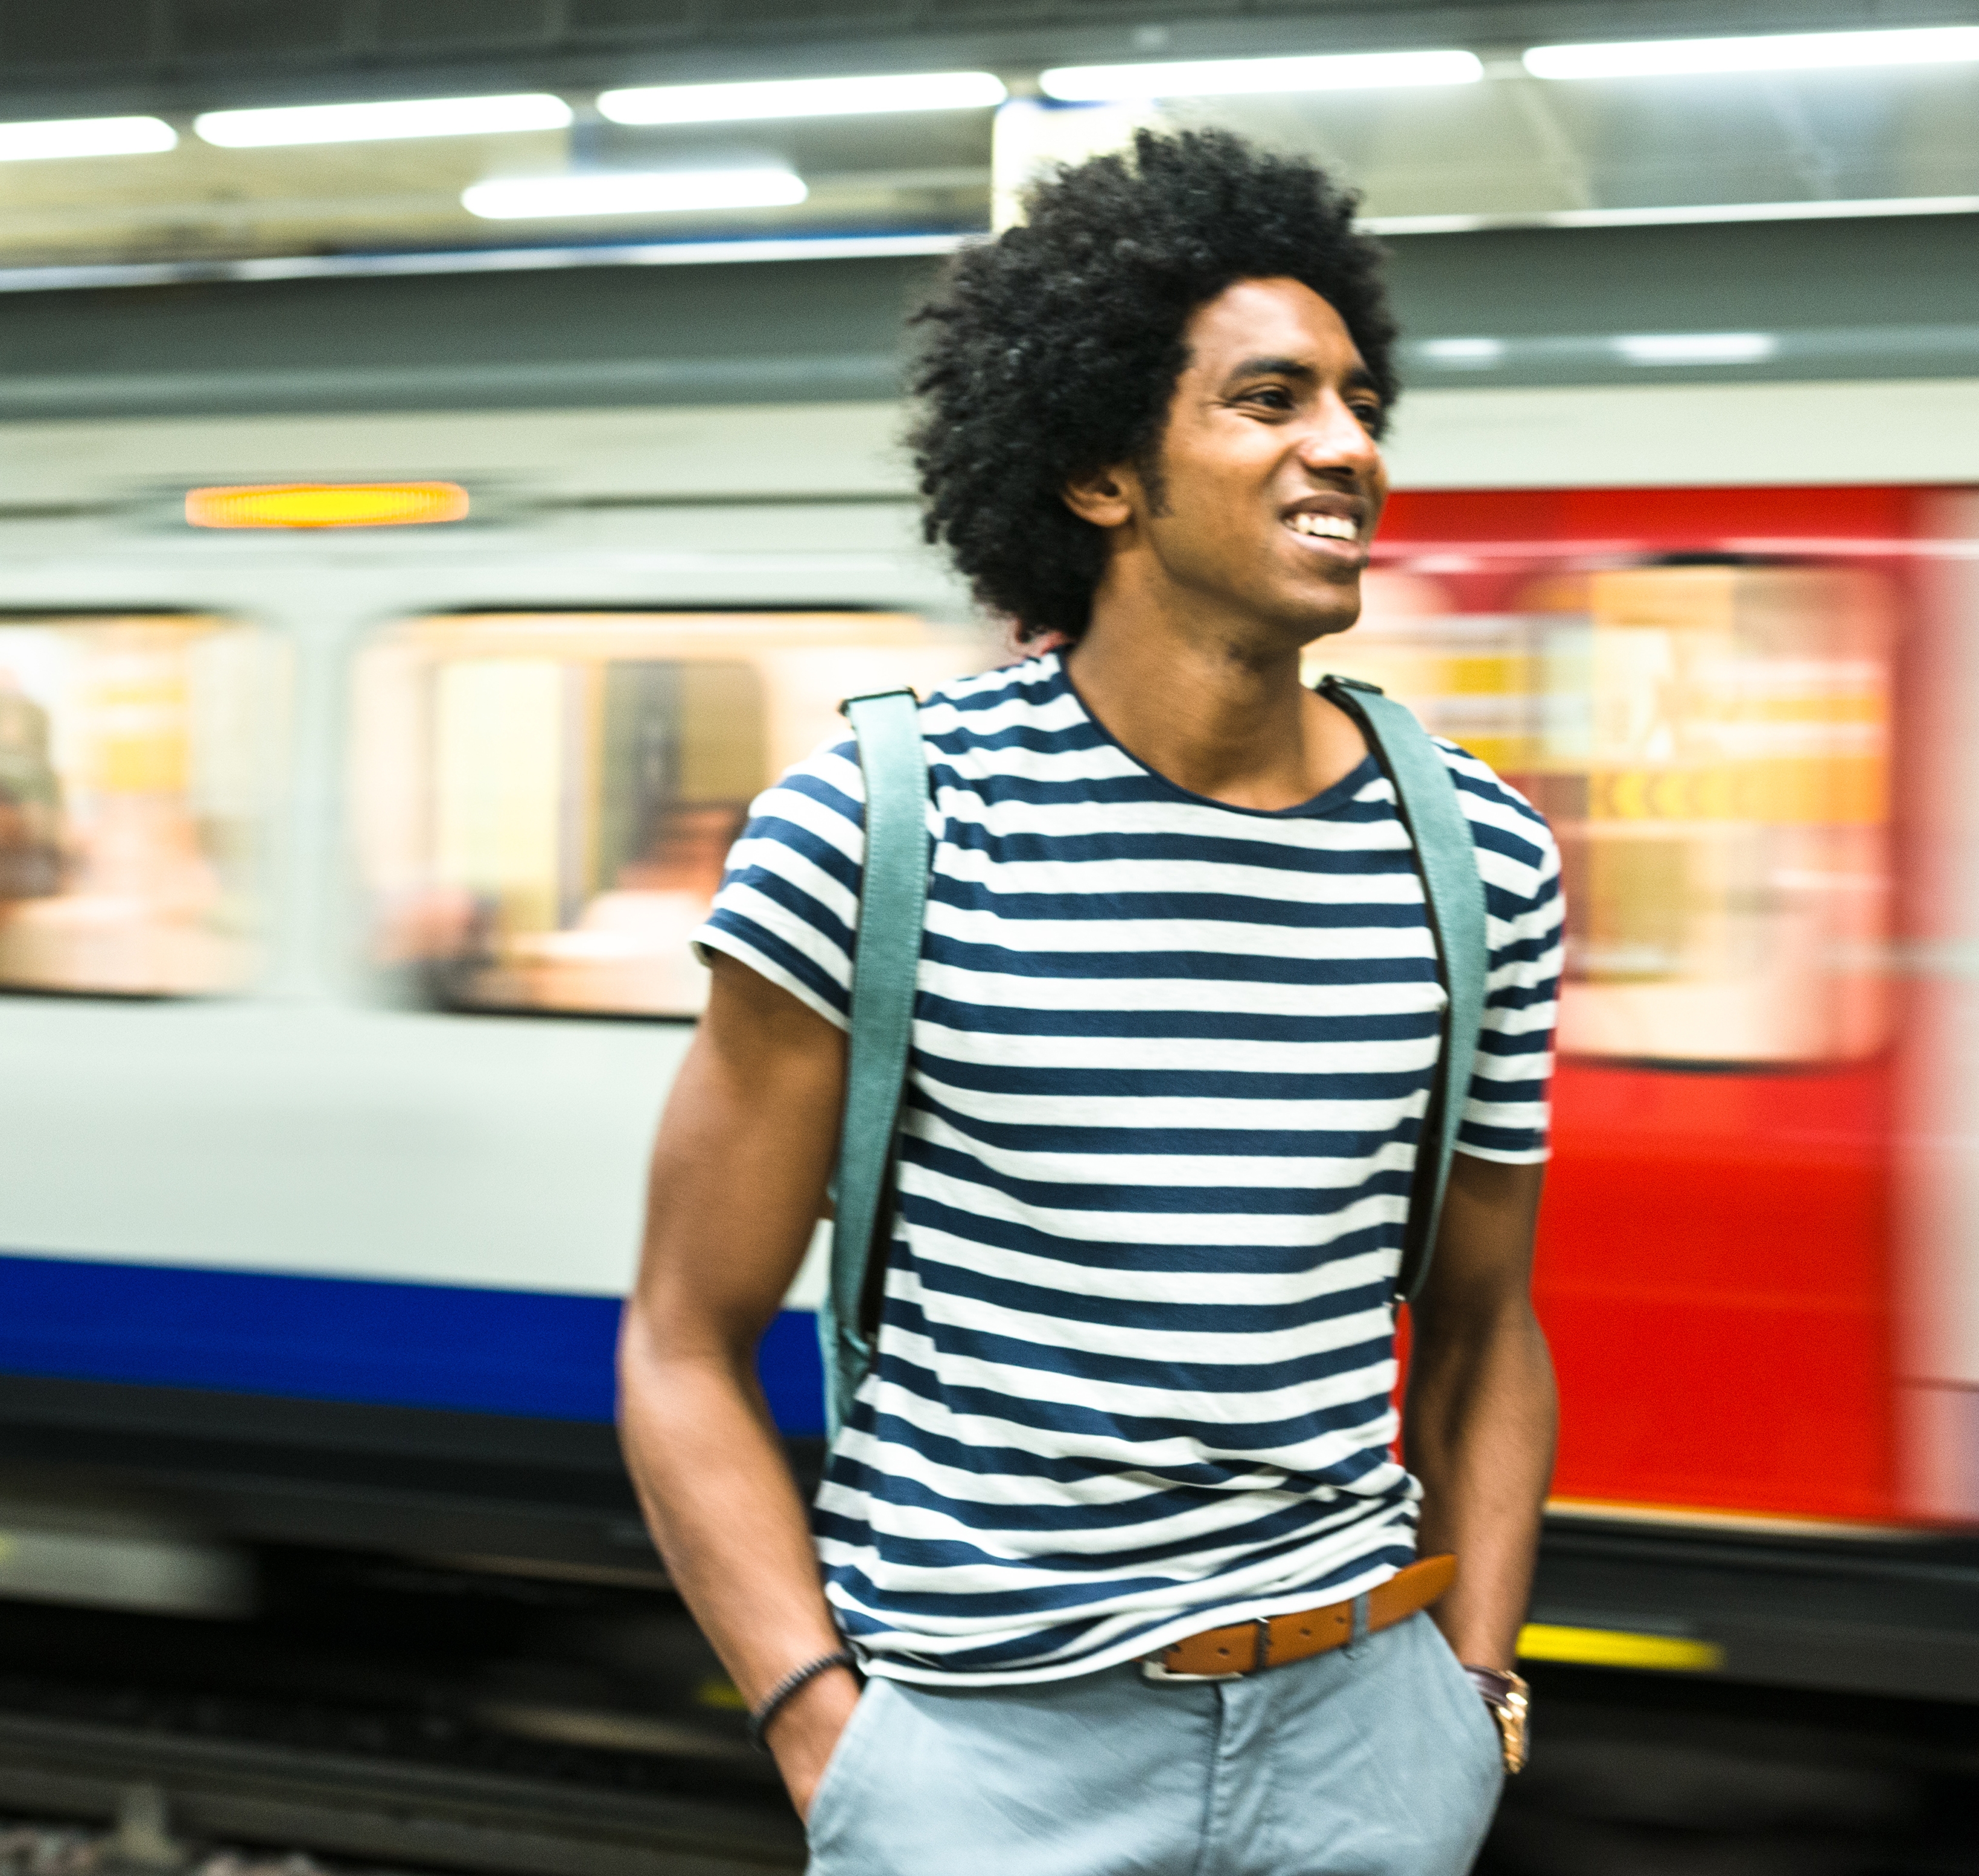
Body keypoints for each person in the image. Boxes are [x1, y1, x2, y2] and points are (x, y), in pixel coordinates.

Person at [616, 128, 1565, 1876]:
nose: (1346, 447)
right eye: (1268, 401)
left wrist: (1475, 1699)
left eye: (1360, 401)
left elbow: (1491, 1325)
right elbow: (682, 1334)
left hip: (1363, 1745)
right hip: (989, 1761)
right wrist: (834, 1738)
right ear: (1098, 475)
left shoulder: (1477, 853)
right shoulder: (884, 824)